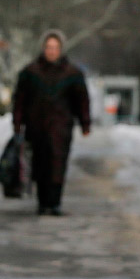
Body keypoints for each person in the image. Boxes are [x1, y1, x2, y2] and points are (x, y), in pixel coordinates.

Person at [12, 29, 91, 216]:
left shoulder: (72, 73)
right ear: (43, 48)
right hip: (36, 127)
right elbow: (19, 101)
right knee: (40, 164)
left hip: (61, 128)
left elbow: (82, 100)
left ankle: (54, 202)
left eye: (55, 48)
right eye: (49, 47)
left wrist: (85, 123)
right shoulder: (30, 72)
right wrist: (17, 124)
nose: (52, 51)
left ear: (61, 49)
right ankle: (42, 202)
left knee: (58, 163)